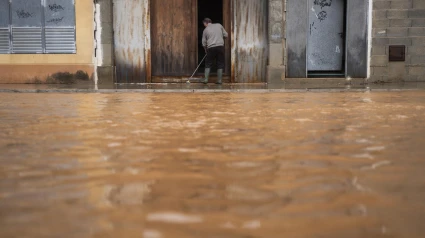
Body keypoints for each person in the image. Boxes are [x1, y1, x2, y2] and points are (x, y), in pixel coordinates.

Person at [201, 18, 228, 84]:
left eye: (204, 24)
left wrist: (205, 49)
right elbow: (226, 35)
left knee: (208, 63)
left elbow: (203, 43)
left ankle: (206, 80)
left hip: (211, 48)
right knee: (220, 63)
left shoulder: (205, 30)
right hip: (220, 47)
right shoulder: (219, 25)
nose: (204, 25)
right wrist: (220, 38)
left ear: (205, 23)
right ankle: (219, 80)